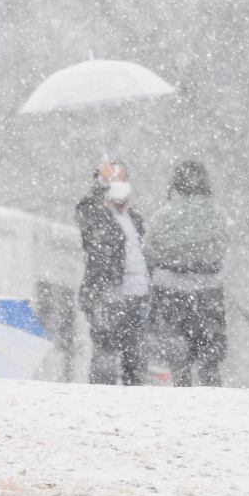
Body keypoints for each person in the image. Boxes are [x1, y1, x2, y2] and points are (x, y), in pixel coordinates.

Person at [144, 160, 228, 386]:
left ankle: (183, 395)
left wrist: (172, 261)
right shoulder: (217, 215)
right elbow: (221, 248)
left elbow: (149, 250)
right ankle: (213, 396)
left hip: (170, 291)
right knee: (209, 356)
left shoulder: (164, 215)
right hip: (208, 292)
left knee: (178, 356)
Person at [75, 159, 150, 385]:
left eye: (124, 178)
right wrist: (100, 184)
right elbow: (86, 209)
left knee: (136, 362)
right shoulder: (96, 213)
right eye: (114, 179)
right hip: (106, 295)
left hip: (137, 298)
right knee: (105, 360)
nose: (120, 184)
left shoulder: (134, 219)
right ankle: (101, 410)